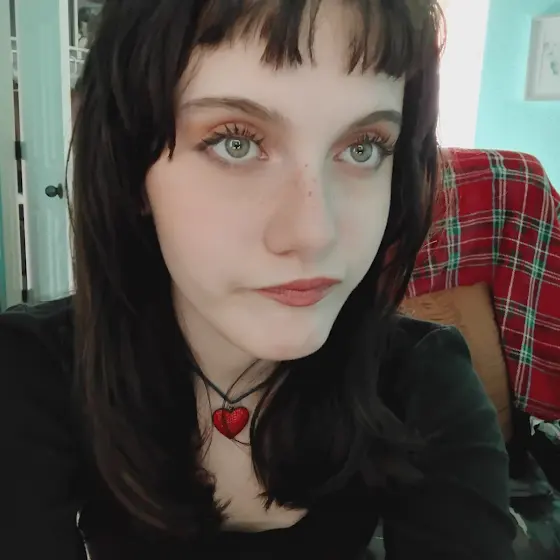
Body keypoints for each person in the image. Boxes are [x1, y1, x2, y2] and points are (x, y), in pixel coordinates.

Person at [1, 1, 516, 558]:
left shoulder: (425, 381)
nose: (314, 234)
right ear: (130, 169)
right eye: (236, 142)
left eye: (363, 147)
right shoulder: (29, 373)